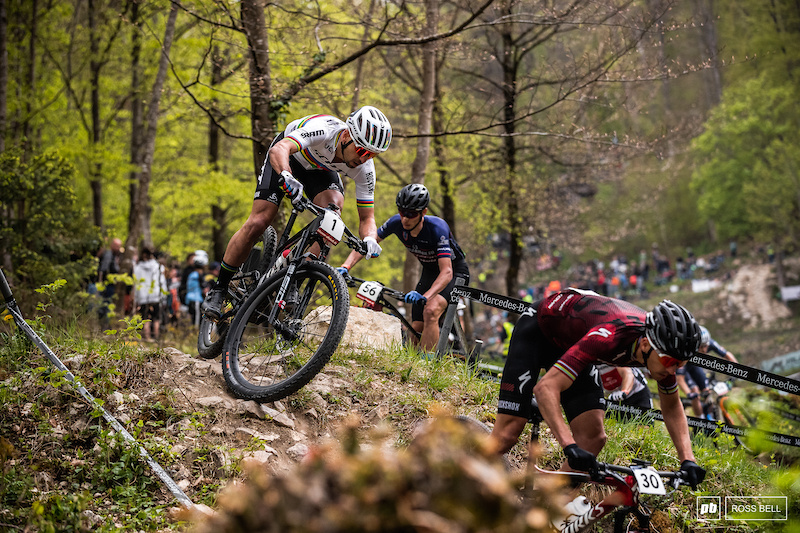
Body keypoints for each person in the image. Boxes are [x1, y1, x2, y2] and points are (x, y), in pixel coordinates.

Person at [487, 289, 706, 491]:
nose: (672, 370)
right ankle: (456, 477)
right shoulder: (611, 336)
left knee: (592, 438)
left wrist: (688, 460)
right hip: (538, 331)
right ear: (646, 345)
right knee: (508, 434)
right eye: (669, 361)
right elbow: (545, 388)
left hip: (573, 343)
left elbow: (672, 407)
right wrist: (568, 446)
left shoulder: (663, 357)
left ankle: (548, 507)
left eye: (680, 364)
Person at [202, 106, 393, 320]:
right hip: (289, 156)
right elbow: (280, 148)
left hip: (320, 172)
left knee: (332, 219)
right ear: (347, 135)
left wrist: (369, 238)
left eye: (373, 155)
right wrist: (285, 174)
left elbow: (367, 217)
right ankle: (219, 289)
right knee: (260, 221)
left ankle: (293, 273)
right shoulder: (324, 130)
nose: (365, 159)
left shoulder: (365, 169)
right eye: (363, 151)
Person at [338, 184, 469, 352]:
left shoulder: (437, 228)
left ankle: (427, 368)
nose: (405, 219)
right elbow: (368, 245)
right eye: (401, 212)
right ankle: (410, 365)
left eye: (411, 214)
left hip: (455, 273)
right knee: (415, 326)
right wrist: (346, 266)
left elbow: (447, 272)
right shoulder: (396, 223)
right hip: (429, 271)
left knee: (430, 311)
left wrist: (427, 296)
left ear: (424, 212)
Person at [678, 325, 739, 418]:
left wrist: (738, 370)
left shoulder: (710, 343)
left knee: (707, 391)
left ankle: (710, 420)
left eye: (705, 346)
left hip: (696, 367)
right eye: (700, 347)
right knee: (695, 392)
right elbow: (679, 378)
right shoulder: (687, 350)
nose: (703, 349)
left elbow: (727, 355)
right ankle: (700, 421)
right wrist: (689, 393)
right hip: (686, 368)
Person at [132, 247, 167, 342]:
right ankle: (156, 338)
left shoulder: (137, 268)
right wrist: (164, 296)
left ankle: (147, 338)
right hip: (156, 295)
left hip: (143, 296)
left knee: (145, 317)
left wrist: (136, 298)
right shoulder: (158, 267)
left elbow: (136, 283)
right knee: (156, 318)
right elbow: (162, 282)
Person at [96, 237, 122, 328]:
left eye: (119, 246)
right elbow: (103, 269)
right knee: (103, 305)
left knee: (107, 305)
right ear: (112, 245)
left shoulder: (116, 256)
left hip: (111, 285)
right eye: (116, 246)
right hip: (105, 284)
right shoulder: (108, 254)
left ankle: (105, 325)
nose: (118, 248)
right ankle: (103, 326)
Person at [186, 251, 209, 327]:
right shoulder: (198, 276)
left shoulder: (191, 274)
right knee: (196, 319)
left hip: (190, 299)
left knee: (191, 318)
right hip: (196, 299)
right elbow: (204, 288)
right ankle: (195, 334)